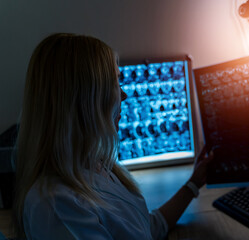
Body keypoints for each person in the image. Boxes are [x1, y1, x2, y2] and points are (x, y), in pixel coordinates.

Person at [13, 33, 211, 240]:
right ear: (86, 99)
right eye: (115, 82)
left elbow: (146, 229)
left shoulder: (97, 166)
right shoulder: (55, 205)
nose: (124, 95)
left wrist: (193, 183)